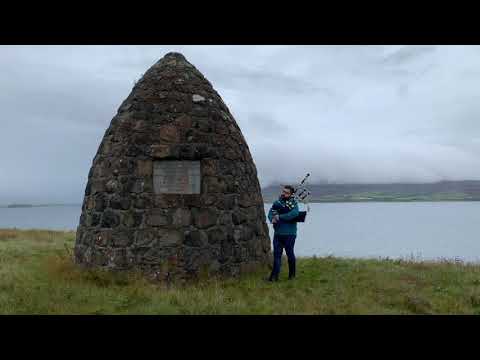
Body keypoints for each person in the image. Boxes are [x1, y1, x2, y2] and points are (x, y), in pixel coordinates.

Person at [267, 185, 299, 281]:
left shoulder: (294, 203)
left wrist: (280, 217)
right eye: (283, 191)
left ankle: (292, 276)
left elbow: (294, 214)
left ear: (291, 194)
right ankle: (274, 277)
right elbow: (270, 212)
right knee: (276, 255)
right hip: (278, 234)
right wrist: (272, 218)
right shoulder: (278, 203)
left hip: (290, 234)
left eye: (286, 193)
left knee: (290, 254)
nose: (284, 194)